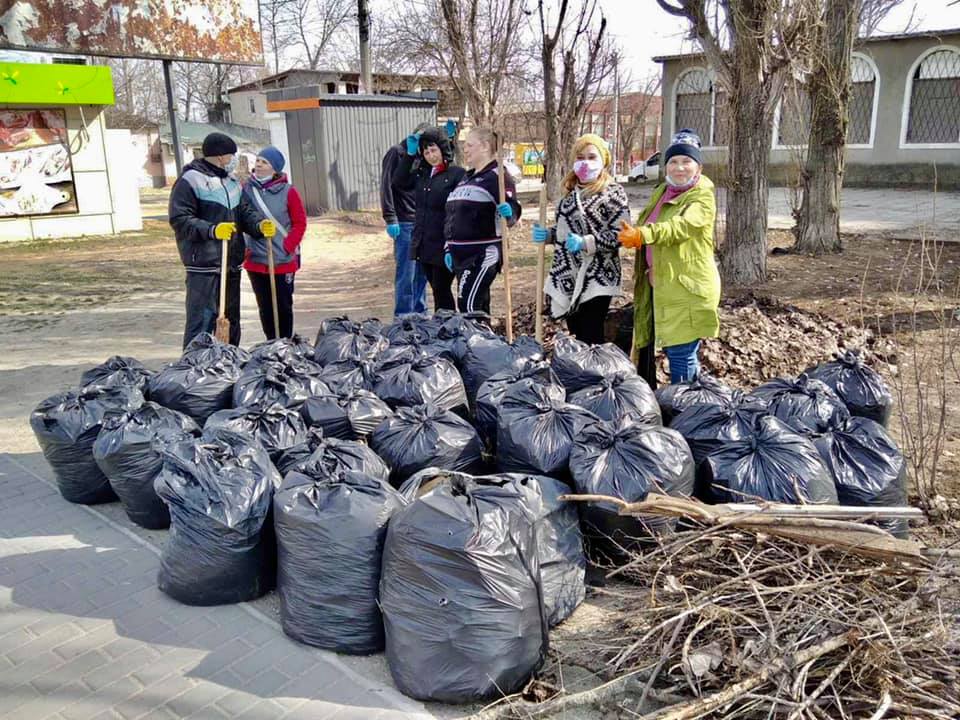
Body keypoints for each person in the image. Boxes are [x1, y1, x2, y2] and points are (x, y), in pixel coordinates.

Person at [618, 129, 720, 386]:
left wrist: (643, 235)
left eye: (687, 161)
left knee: (680, 353)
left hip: (688, 287)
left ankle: (684, 410)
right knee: (680, 351)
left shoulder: (702, 196)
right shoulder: (663, 191)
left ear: (698, 166)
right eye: (673, 161)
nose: (679, 167)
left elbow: (683, 227)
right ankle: (694, 400)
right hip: (664, 285)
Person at [168, 132, 275, 348]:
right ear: (219, 157)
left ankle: (229, 361)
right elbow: (180, 219)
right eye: (231, 156)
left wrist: (259, 225)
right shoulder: (190, 181)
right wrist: (212, 230)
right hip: (204, 265)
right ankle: (196, 366)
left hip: (231, 262)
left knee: (230, 320)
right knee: (203, 320)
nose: (233, 160)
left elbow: (245, 211)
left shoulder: (231, 182)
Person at [530, 133, 630, 344]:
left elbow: (621, 235)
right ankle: (579, 372)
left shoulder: (613, 193)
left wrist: (587, 243)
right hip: (569, 272)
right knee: (575, 330)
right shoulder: (569, 195)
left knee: (590, 331)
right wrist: (549, 234)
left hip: (598, 275)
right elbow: (565, 231)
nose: (585, 162)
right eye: (580, 157)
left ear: (604, 161)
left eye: (592, 157)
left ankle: (594, 373)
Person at [443, 127, 521, 317]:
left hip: (483, 253)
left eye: (469, 145)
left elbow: (513, 208)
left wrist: (510, 212)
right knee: (475, 306)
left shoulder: (497, 176)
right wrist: (447, 246)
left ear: (485, 146)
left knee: (469, 307)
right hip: (459, 255)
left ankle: (476, 345)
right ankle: (485, 344)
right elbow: (452, 216)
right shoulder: (466, 178)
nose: (465, 150)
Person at [391, 126, 465, 312]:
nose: (430, 155)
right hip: (424, 242)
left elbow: (461, 210)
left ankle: (449, 327)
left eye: (434, 150)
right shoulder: (423, 174)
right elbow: (398, 182)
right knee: (435, 288)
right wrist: (409, 154)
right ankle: (444, 325)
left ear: (442, 149)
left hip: (444, 242)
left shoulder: (456, 174)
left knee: (442, 289)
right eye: (426, 151)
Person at [241, 146, 307, 340]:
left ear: (275, 168)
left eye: (264, 162)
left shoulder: (288, 191)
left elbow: (300, 222)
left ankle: (285, 343)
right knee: (265, 306)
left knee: (283, 306)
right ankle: (271, 343)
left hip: (282, 259)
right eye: (258, 161)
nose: (259, 165)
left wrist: (287, 247)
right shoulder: (247, 189)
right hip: (256, 258)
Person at [380, 122, 432, 316]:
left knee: (422, 273)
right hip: (404, 222)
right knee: (406, 274)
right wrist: (390, 217)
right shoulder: (397, 153)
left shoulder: (425, 158)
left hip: (423, 222)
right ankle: (403, 316)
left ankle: (420, 313)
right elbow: (386, 185)